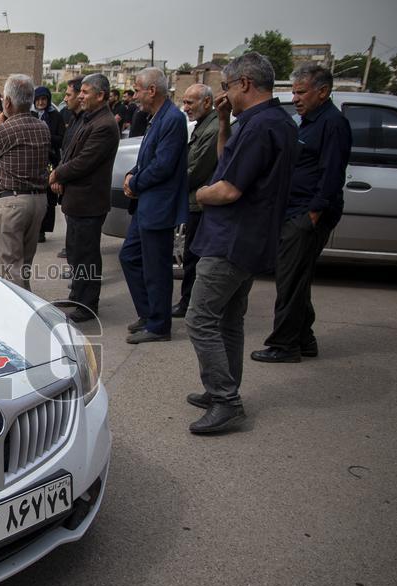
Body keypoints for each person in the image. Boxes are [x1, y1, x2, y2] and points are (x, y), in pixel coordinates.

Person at [186, 52, 299, 434]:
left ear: (245, 84)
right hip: (248, 239)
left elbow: (228, 189)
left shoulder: (260, 126)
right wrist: (223, 122)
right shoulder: (274, 122)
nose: (225, 94)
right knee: (229, 320)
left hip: (231, 241)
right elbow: (228, 164)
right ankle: (223, 388)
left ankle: (226, 400)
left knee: (200, 318)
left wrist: (198, 194)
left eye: (227, 86)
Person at [252, 63, 351, 364]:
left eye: (301, 92)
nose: (295, 99)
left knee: (290, 280)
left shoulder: (333, 123)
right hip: (294, 209)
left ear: (323, 92)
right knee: (295, 279)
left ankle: (284, 345)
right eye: (293, 92)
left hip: (306, 214)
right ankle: (304, 339)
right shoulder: (307, 121)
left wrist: (313, 214)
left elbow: (332, 174)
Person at [119, 67, 188, 344]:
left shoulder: (173, 119)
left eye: (137, 90)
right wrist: (131, 174)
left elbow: (162, 165)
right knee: (130, 257)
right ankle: (149, 313)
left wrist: (135, 183)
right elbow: (147, 158)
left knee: (157, 268)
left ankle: (159, 326)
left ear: (152, 90)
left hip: (158, 206)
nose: (135, 96)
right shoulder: (156, 117)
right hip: (146, 206)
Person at [48, 74, 120, 322]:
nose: (80, 96)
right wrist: (60, 172)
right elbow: (70, 152)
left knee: (87, 256)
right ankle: (78, 296)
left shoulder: (104, 125)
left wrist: (58, 173)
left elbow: (84, 161)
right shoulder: (89, 118)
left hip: (89, 202)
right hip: (78, 201)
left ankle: (87, 305)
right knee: (77, 254)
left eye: (85, 92)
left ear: (100, 95)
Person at [0, 74, 50, 290]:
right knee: (24, 264)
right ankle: (27, 302)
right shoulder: (42, 127)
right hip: (38, 201)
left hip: (13, 204)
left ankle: (19, 308)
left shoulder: (3, 130)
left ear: (7, 102)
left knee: (10, 268)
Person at [171, 83, 219, 318]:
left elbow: (196, 170)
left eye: (190, 102)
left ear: (207, 102)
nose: (185, 107)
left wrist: (170, 187)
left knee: (193, 257)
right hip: (194, 202)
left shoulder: (213, 129)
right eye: (184, 102)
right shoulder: (204, 125)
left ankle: (189, 302)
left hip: (199, 205)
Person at [31, 86, 65, 243]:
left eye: (43, 99)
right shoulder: (29, 115)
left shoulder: (55, 116)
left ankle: (42, 230)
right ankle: (31, 228)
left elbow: (61, 139)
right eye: (37, 99)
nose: (40, 102)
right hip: (32, 161)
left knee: (48, 197)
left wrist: (45, 135)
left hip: (50, 160)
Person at [56, 77, 84, 260]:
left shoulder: (89, 122)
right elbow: (66, 150)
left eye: (68, 94)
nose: (65, 99)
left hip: (81, 192)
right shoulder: (74, 118)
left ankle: (80, 273)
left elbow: (80, 159)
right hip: (70, 186)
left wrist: (58, 175)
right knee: (73, 234)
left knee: (82, 243)